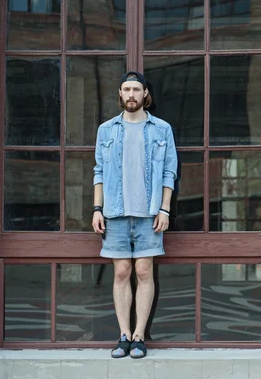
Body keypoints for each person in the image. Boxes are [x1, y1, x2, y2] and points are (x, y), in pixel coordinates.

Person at [92, 71, 178, 359]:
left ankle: (140, 336)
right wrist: (97, 208)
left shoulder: (161, 129)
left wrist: (165, 208)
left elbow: (169, 171)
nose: (131, 94)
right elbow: (99, 171)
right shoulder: (106, 130)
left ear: (145, 95)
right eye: (126, 89)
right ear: (120, 94)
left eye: (136, 89)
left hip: (149, 213)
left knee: (143, 271)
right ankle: (123, 335)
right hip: (115, 212)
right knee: (121, 271)